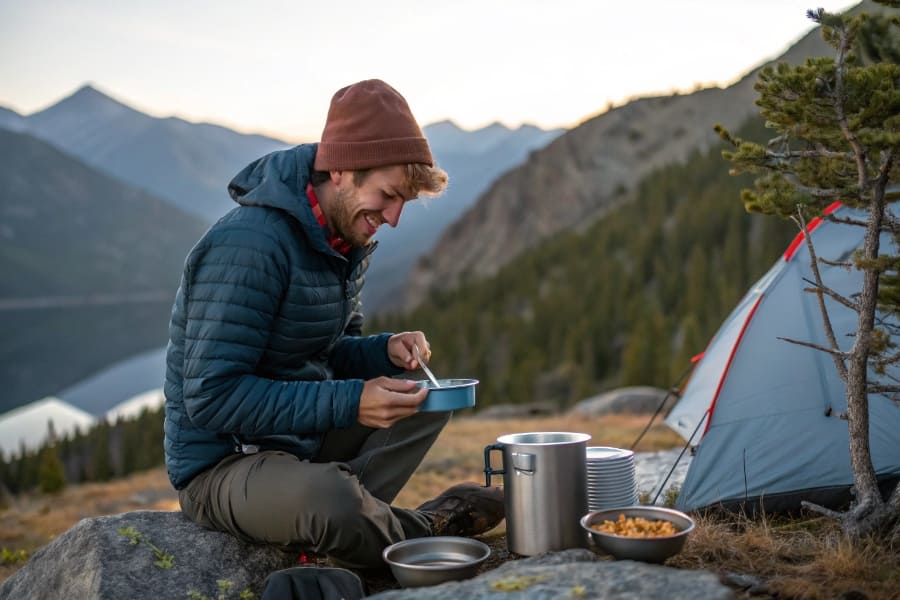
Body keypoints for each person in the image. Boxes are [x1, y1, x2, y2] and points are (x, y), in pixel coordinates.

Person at [163, 79, 504, 569]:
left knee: (423, 398)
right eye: (388, 195)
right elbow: (211, 398)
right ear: (341, 170)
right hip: (225, 464)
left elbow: (326, 353)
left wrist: (384, 350)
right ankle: (423, 527)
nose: (393, 218)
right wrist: (351, 401)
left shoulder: (340, 240)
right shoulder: (248, 246)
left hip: (299, 441)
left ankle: (346, 524)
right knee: (332, 499)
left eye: (404, 203)